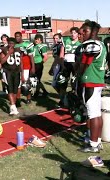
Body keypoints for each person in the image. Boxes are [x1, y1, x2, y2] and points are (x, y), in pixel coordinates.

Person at [77, 20, 105, 168]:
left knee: (93, 114)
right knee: (97, 113)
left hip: (91, 81)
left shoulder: (92, 44)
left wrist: (77, 75)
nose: (82, 35)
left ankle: (93, 144)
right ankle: (97, 141)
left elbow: (85, 63)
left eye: (85, 32)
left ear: (92, 31)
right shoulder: (101, 44)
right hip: (97, 81)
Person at [0, 38, 23, 115]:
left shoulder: (18, 50)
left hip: (16, 71)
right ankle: (13, 106)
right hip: (7, 71)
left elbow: (21, 62)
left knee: (15, 90)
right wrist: (8, 53)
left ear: (15, 44)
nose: (11, 45)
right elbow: (2, 61)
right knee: (10, 89)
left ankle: (13, 105)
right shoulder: (3, 49)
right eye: (10, 43)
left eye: (13, 43)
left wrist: (22, 74)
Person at [59, 27, 81, 106]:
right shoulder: (66, 41)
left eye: (75, 33)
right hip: (66, 63)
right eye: (72, 33)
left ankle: (74, 100)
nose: (73, 34)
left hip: (75, 64)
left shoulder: (80, 44)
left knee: (74, 83)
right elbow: (61, 53)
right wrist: (62, 64)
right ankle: (62, 100)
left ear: (78, 34)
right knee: (63, 82)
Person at [14, 32, 34, 105]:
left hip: (26, 66)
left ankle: (28, 98)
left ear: (21, 36)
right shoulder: (14, 45)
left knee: (25, 83)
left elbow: (31, 56)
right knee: (18, 84)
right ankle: (18, 99)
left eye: (18, 36)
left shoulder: (27, 44)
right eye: (16, 36)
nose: (17, 38)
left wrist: (33, 67)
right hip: (17, 66)